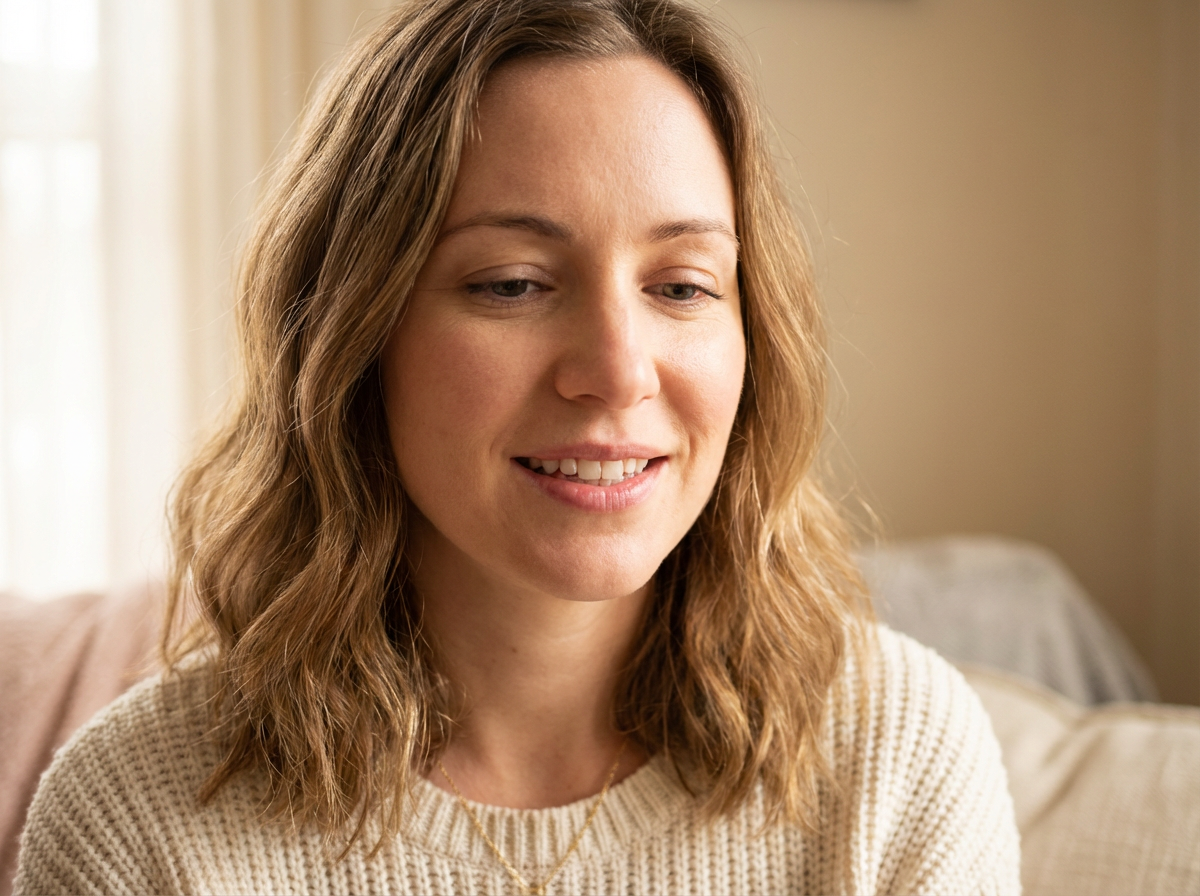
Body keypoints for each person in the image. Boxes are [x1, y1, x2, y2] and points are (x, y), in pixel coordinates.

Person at [14, 1, 1020, 893]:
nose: (620, 370)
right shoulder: (134, 822)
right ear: (353, 341)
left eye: (681, 286)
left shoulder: (898, 761)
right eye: (511, 282)